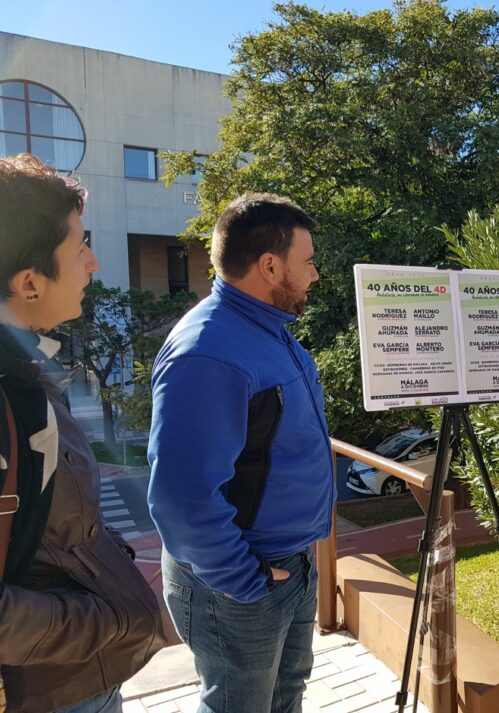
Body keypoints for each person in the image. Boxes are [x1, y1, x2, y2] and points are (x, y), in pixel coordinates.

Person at [147, 192, 335, 713]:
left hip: (288, 567)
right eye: (307, 262)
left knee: (285, 697)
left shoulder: (268, 332)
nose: (315, 275)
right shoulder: (209, 352)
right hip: (241, 582)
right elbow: (181, 498)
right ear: (270, 266)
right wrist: (244, 581)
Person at [0, 154, 166, 713]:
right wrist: (119, 618)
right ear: (27, 282)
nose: (93, 263)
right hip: (46, 690)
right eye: (77, 248)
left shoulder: (25, 366)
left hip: (74, 676)